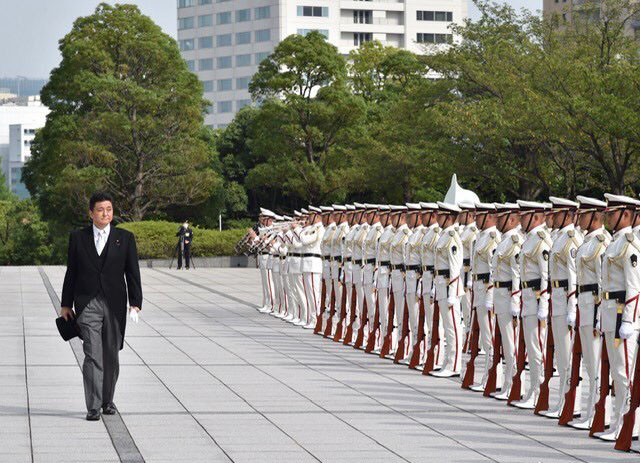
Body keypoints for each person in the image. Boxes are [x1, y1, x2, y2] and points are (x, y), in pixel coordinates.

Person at [60, 191, 142, 421]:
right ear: (91, 213)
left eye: (109, 209)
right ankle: (93, 405)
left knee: (111, 356)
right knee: (93, 354)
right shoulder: (77, 238)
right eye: (100, 209)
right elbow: (72, 272)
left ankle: (107, 400)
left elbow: (132, 273)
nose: (105, 213)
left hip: (115, 305)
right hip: (87, 304)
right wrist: (66, 304)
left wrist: (135, 303)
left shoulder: (125, 238)